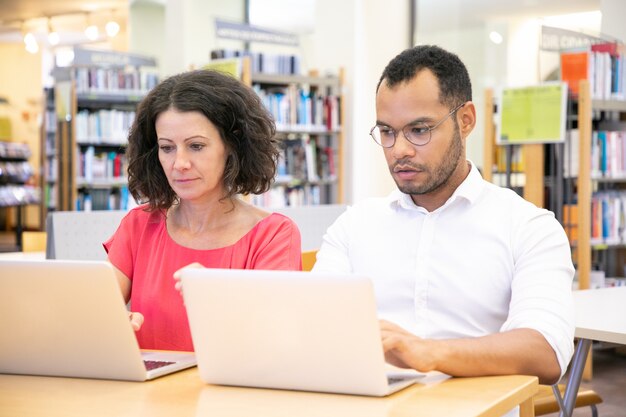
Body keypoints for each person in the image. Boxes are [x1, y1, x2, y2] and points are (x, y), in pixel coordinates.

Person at [313, 45, 574, 386]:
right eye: (387, 132)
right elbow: (313, 325)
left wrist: (429, 353)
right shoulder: (353, 226)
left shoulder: (529, 227)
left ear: (465, 120)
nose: (399, 150)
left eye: (419, 131)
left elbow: (546, 352)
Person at [104, 69, 302, 352]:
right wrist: (109, 324)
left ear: (232, 147)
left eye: (196, 146)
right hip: (144, 393)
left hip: (229, 392)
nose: (179, 163)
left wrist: (218, 296)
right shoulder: (139, 225)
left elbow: (274, 337)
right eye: (167, 148)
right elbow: (99, 311)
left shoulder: (274, 236)